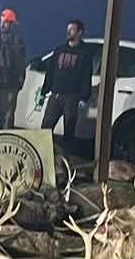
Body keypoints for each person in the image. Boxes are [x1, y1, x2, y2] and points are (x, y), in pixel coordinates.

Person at [39, 18, 97, 160]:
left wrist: (84, 97)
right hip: (55, 96)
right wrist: (44, 91)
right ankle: (42, 155)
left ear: (79, 33)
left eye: (72, 30)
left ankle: (65, 161)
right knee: (46, 127)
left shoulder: (84, 53)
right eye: (68, 29)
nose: (68, 32)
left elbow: (86, 76)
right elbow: (51, 71)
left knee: (69, 131)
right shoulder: (60, 50)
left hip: (71, 98)